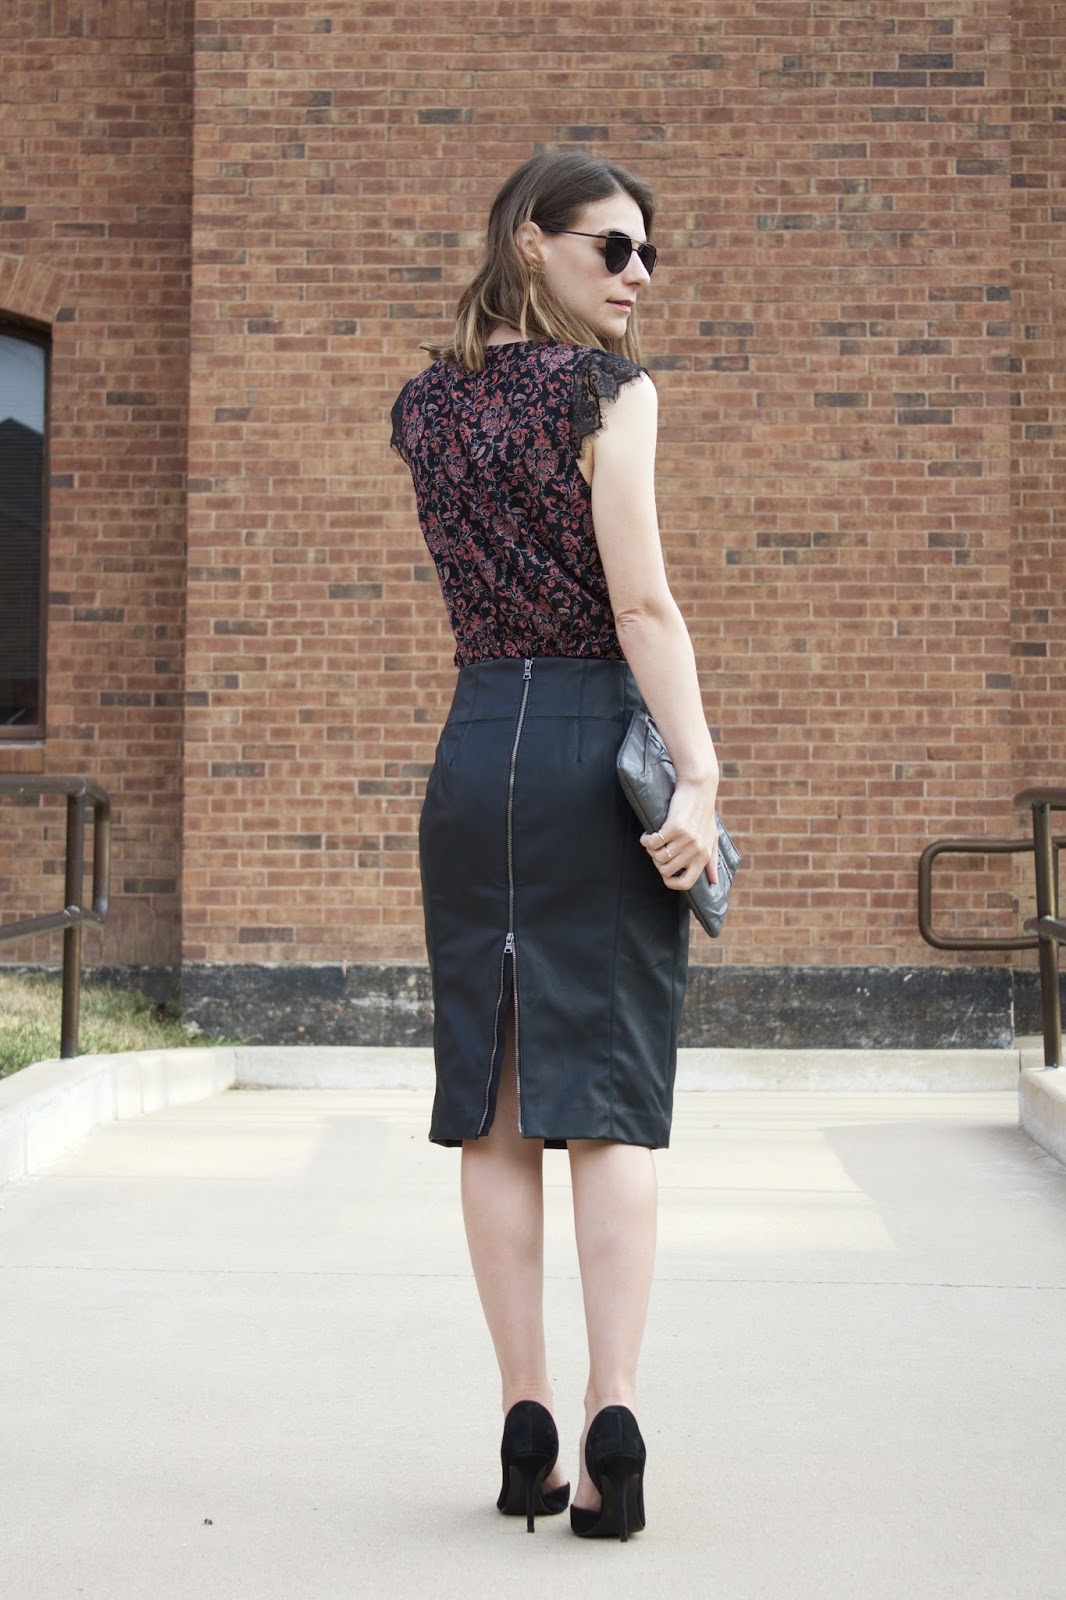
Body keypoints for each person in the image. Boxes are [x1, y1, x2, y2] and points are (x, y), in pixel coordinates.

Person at [390, 150, 719, 1542]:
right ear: (532, 242)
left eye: (647, 252)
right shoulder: (609, 392)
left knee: (497, 1096)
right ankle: (609, 1414)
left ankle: (522, 1413)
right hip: (595, 751)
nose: (638, 273)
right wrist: (699, 772)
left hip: (477, 750)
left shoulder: (425, 404)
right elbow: (639, 604)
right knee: (610, 1100)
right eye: (611, 247)